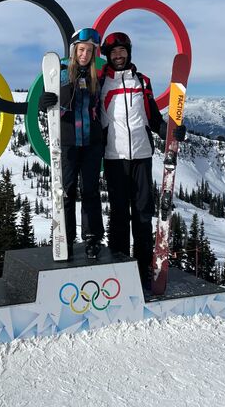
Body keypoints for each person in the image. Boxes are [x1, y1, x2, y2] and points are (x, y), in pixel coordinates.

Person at [99, 32, 186, 286]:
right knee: (118, 216)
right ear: (107, 55)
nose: (118, 56)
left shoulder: (142, 82)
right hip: (114, 158)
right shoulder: (102, 83)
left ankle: (142, 268)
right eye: (114, 52)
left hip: (142, 156)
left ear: (129, 52)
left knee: (142, 214)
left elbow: (154, 120)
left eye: (122, 51)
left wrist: (171, 131)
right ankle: (119, 268)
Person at [39, 28, 104, 259]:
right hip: (67, 143)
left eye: (89, 50)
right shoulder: (62, 74)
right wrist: (43, 101)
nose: (85, 54)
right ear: (74, 50)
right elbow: (46, 101)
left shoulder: (98, 76)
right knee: (65, 192)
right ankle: (64, 237)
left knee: (90, 192)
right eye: (81, 49)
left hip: (91, 144)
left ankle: (92, 238)